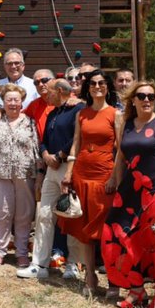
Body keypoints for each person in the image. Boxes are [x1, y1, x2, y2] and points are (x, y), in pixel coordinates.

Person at [101, 81, 155, 308]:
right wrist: (115, 179)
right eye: (142, 96)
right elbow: (120, 156)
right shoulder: (125, 123)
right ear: (132, 100)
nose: (147, 100)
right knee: (116, 235)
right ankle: (136, 290)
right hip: (129, 190)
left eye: (151, 96)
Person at [59, 68, 117, 295]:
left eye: (102, 83)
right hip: (82, 173)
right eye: (93, 83)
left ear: (108, 87)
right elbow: (76, 144)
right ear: (88, 87)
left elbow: (120, 149)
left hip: (105, 175)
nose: (97, 86)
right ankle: (90, 277)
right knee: (85, 229)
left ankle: (114, 279)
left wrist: (116, 176)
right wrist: (68, 173)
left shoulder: (115, 114)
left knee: (105, 229)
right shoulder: (81, 114)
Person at [18, 77, 82, 278]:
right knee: (44, 215)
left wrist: (61, 155)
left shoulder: (77, 111)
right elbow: (44, 140)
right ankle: (40, 265)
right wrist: (46, 155)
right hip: (51, 168)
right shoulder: (53, 113)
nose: (46, 93)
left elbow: (77, 138)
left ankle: (74, 264)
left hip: (68, 167)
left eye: (50, 90)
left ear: (61, 91)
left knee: (71, 216)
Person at [0, 84, 38, 267]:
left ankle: (21, 252)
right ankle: (0, 250)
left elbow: (36, 147)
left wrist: (40, 174)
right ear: (3, 102)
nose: (12, 103)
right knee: (2, 213)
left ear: (21, 102)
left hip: (24, 173)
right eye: (8, 100)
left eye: (16, 100)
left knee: (23, 215)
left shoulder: (30, 122)